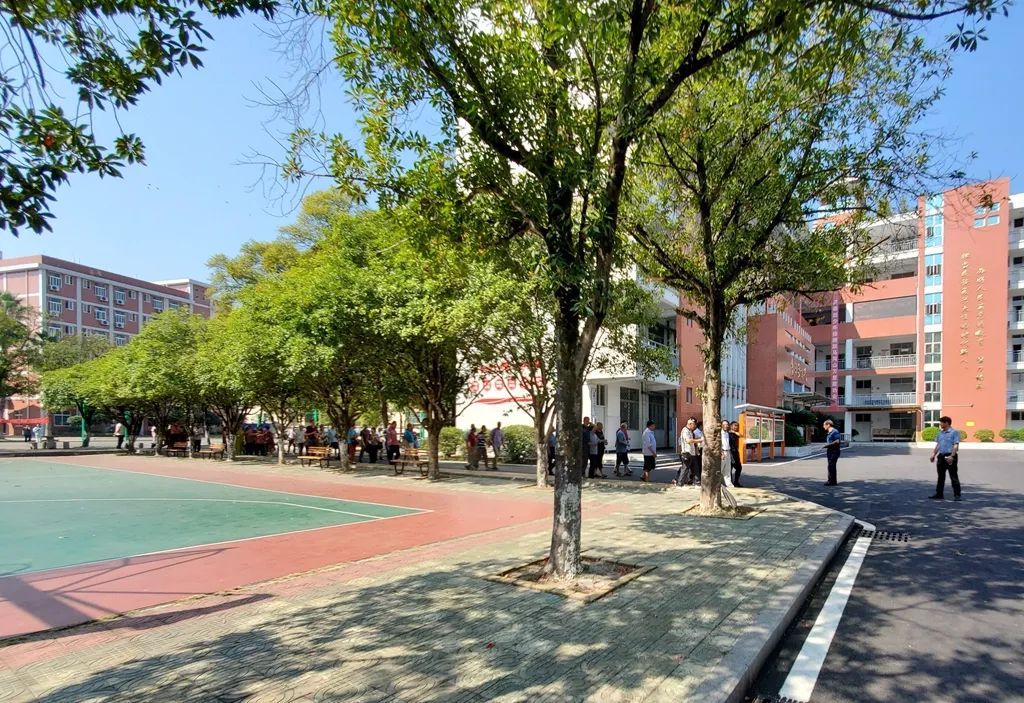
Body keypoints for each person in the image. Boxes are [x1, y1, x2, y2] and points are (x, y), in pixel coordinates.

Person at [929, 416, 962, 501]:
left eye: (941, 423)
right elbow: (938, 445)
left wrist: (952, 456)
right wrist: (933, 455)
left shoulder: (954, 432)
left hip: (950, 456)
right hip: (941, 456)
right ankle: (939, 494)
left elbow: (956, 445)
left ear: (946, 423)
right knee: (940, 476)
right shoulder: (940, 433)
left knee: (953, 476)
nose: (940, 424)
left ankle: (957, 495)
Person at [676, 417, 701, 486]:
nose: (695, 426)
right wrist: (700, 440)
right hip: (686, 453)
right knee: (685, 468)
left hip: (692, 453)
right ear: (690, 424)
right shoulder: (685, 430)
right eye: (694, 424)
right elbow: (688, 440)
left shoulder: (690, 431)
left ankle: (697, 482)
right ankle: (680, 483)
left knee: (695, 468)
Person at [823, 419, 841, 486]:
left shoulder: (835, 432)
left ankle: (832, 481)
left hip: (834, 451)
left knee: (831, 466)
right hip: (830, 451)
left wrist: (827, 445)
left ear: (828, 425)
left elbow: (837, 441)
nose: (823, 426)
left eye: (824, 425)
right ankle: (832, 481)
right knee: (831, 466)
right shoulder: (829, 432)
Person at [729, 421, 743, 487]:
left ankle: (736, 482)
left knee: (739, 468)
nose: (736, 427)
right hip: (730, 452)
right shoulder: (728, 434)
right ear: (731, 426)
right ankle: (730, 483)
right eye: (735, 425)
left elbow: (741, 435)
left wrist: (734, 432)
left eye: (737, 426)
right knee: (730, 469)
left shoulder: (735, 433)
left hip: (736, 453)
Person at [720, 420, 733, 488]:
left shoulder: (727, 433)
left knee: (728, 469)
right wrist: (721, 453)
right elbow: (719, 444)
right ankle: (718, 483)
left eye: (727, 424)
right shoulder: (720, 434)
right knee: (721, 468)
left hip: (728, 451)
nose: (726, 426)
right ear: (721, 425)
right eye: (724, 424)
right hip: (723, 452)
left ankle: (729, 484)